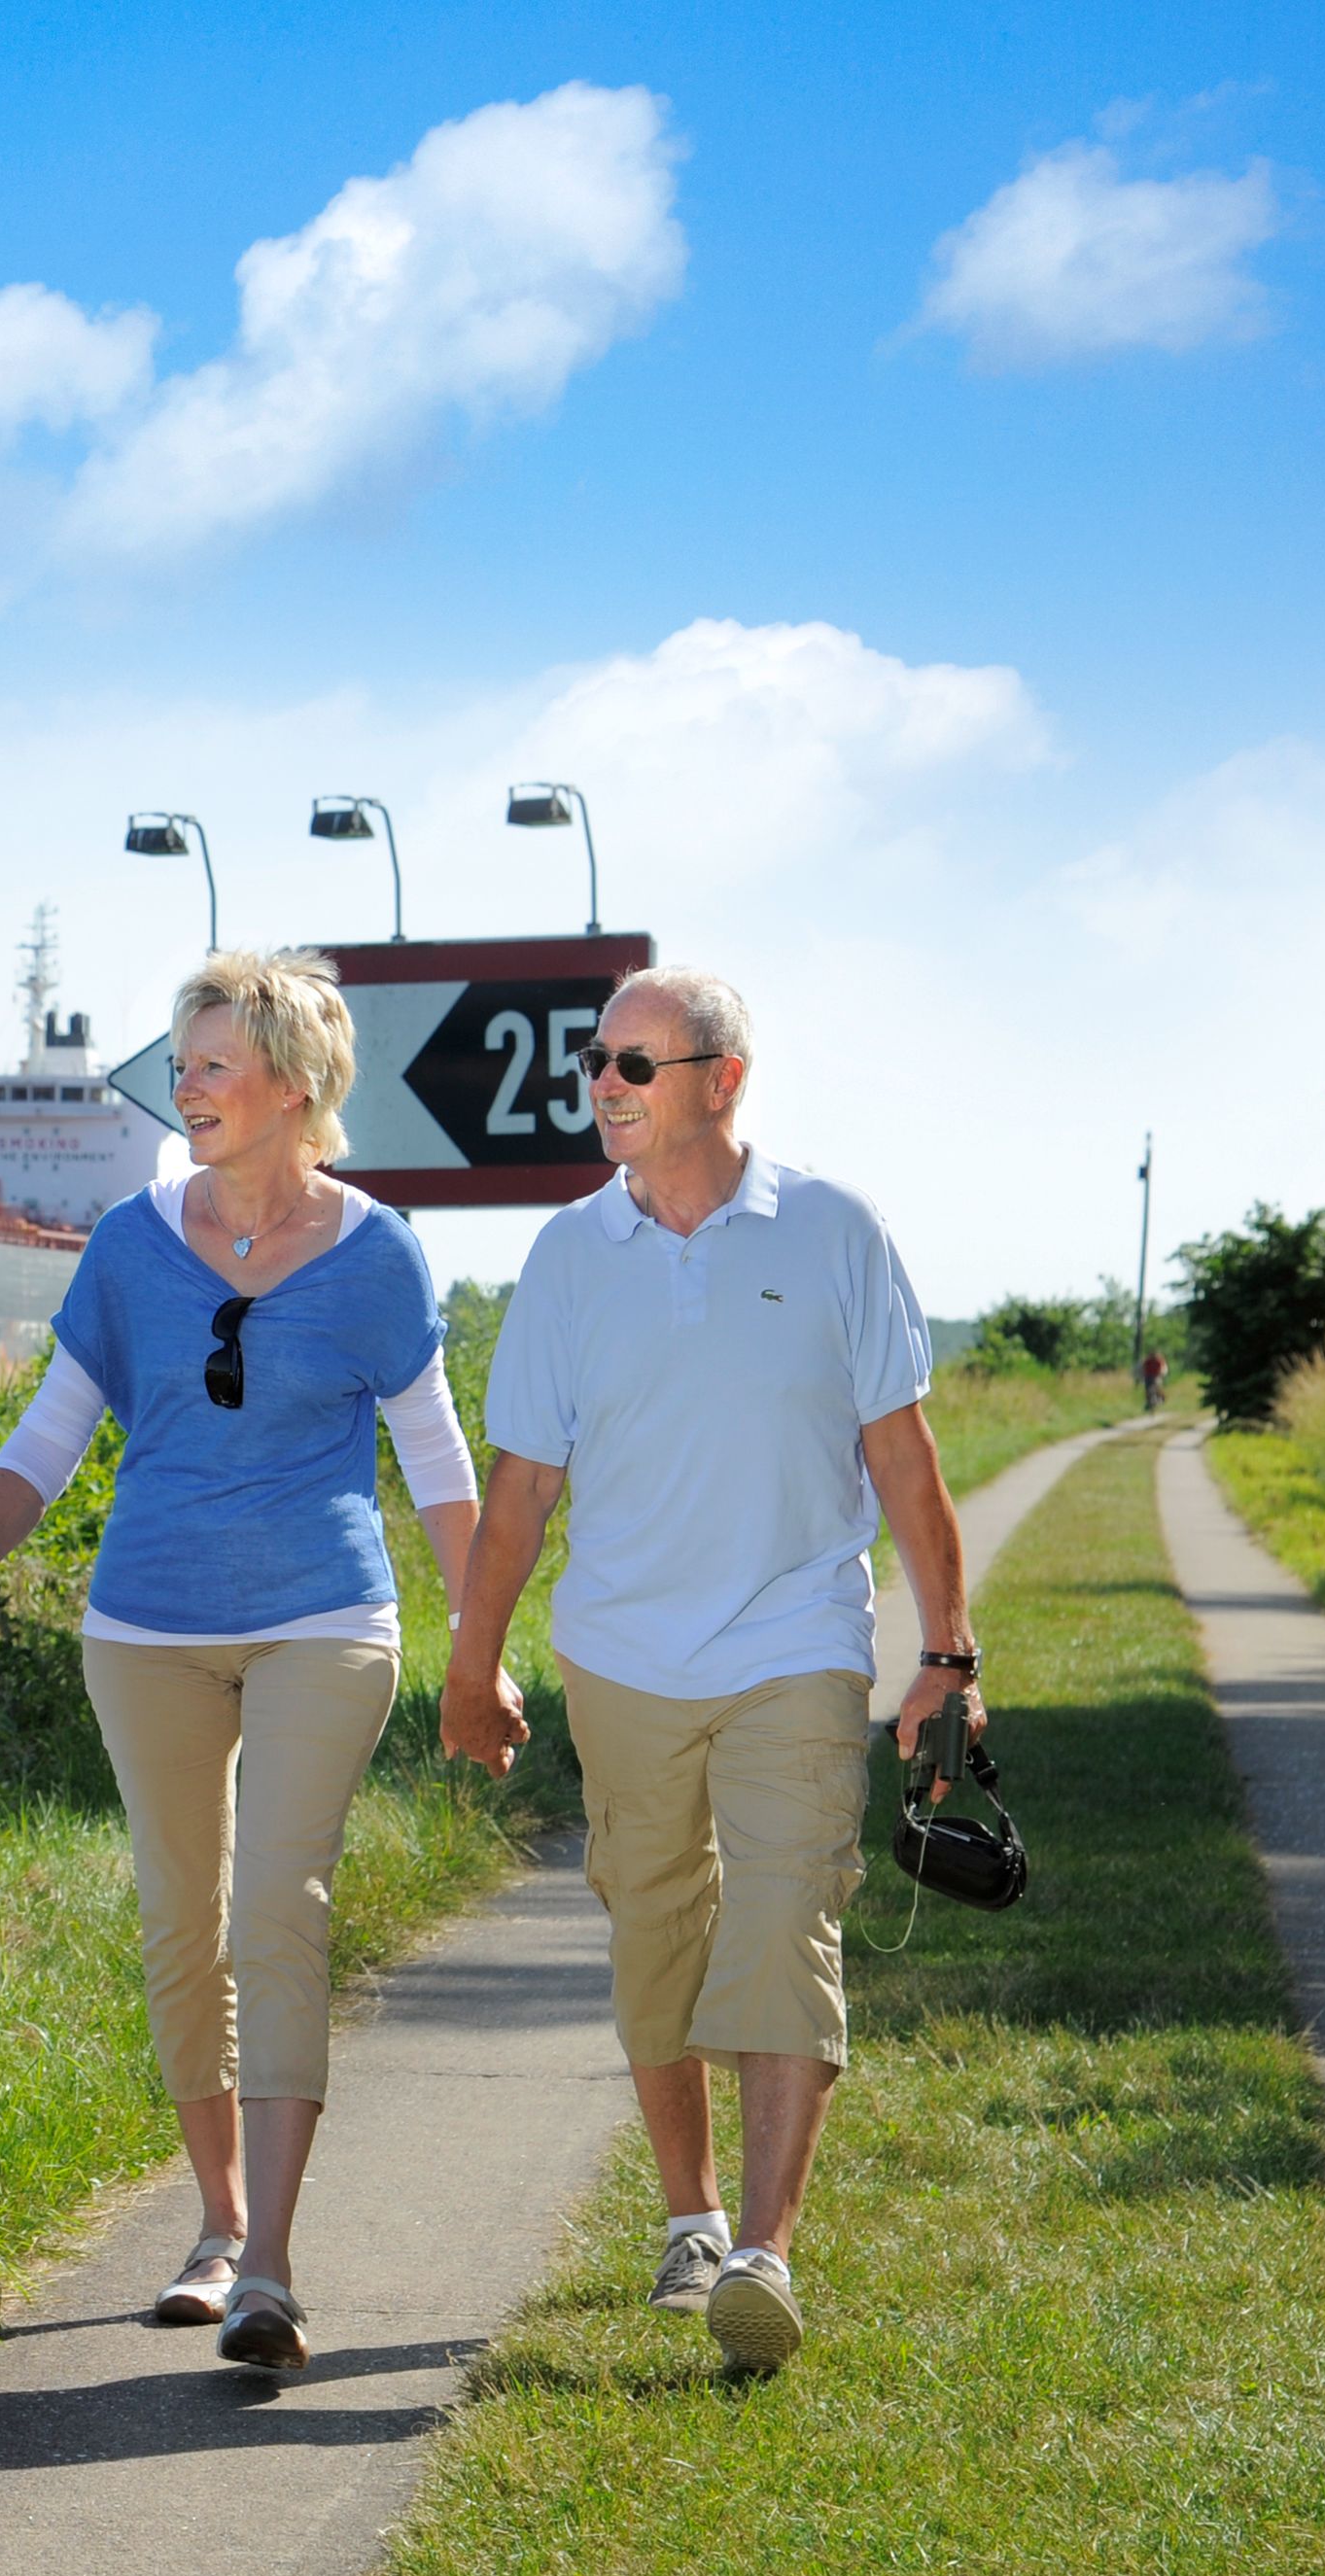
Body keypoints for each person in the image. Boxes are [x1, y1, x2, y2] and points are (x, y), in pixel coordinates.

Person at [0, 949, 483, 2371]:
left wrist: (484, 1647)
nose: (189, 1087)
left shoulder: (380, 1252)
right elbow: (51, 1436)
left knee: (276, 1909)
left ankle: (273, 2268)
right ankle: (215, 2229)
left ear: (296, 1086)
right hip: (146, 1630)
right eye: (183, 1064)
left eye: (215, 1065)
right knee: (181, 1924)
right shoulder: (128, 1243)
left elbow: (436, 1459)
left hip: (323, 1621)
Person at [439, 966, 976, 2375]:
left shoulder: (836, 1231)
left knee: (789, 1914)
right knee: (657, 1936)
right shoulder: (568, 1258)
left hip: (796, 1641)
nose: (601, 1087)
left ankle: (764, 2256)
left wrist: (945, 1655)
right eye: (596, 1064)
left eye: (633, 1064)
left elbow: (904, 1461)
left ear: (721, 1080)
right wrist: (471, 1664)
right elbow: (520, 1488)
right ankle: (691, 2218)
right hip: (620, 1656)